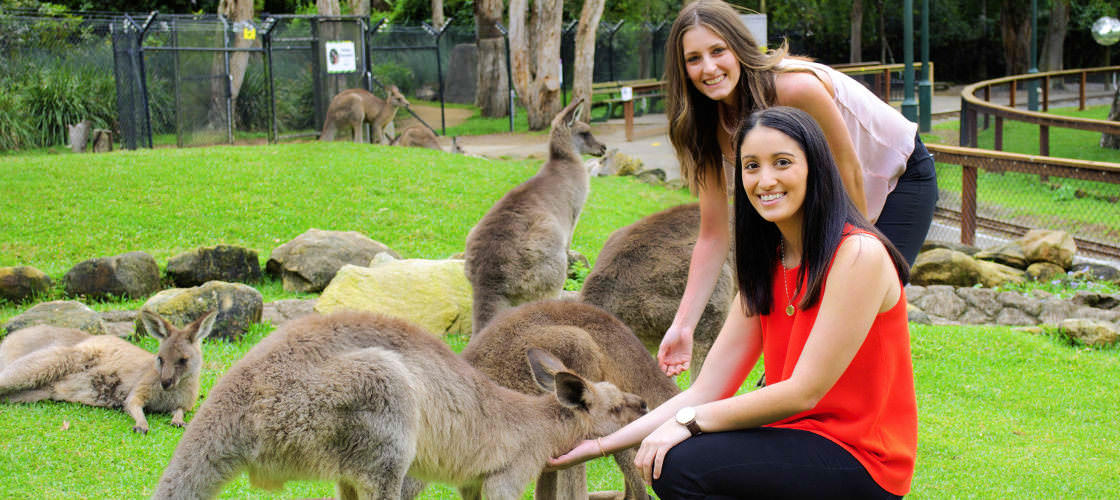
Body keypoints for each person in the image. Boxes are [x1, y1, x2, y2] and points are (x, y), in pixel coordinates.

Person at [548, 106, 917, 499]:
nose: (765, 179)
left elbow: (803, 391)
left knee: (678, 464)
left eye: (783, 163)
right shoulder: (768, 264)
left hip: (864, 458)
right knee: (668, 458)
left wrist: (690, 422)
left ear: (815, 168)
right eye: (752, 166)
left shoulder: (858, 254)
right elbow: (705, 390)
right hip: (797, 439)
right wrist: (602, 445)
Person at [656, 0, 937, 377]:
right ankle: (778, 393)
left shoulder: (794, 88)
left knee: (850, 298)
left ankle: (803, 400)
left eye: (718, 50)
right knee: (795, 294)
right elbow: (713, 234)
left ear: (739, 46)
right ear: (681, 68)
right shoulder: (702, 125)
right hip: (820, 190)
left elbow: (851, 175)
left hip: (899, 177)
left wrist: (843, 259)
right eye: (694, 58)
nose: (708, 68)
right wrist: (683, 324)